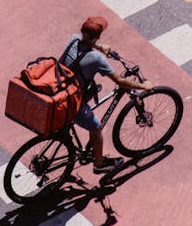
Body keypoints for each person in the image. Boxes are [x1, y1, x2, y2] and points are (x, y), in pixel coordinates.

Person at [61, 16, 152, 173]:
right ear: (97, 37)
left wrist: (99, 46)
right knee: (96, 127)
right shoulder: (96, 59)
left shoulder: (74, 39)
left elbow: (86, 43)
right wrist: (144, 86)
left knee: (95, 90)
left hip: (59, 89)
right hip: (71, 101)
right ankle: (99, 164)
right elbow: (121, 82)